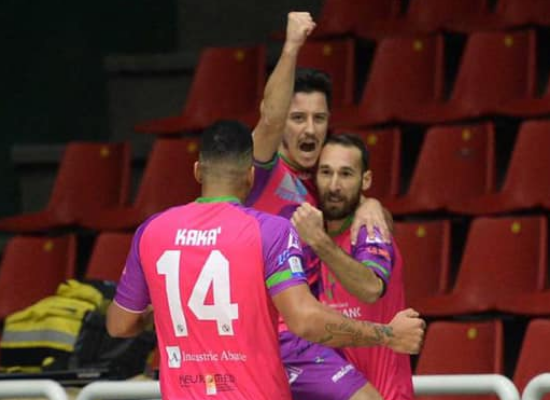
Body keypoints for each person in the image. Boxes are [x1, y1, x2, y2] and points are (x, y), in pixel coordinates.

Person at [106, 121, 425, 400]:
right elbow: (305, 320)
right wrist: (387, 334)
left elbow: (119, 324)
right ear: (250, 175)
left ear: (198, 171)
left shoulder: (152, 231)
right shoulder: (269, 231)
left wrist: (158, 314)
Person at [246, 12, 398, 400]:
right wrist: (291, 47)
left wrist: (371, 204)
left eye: (319, 118)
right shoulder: (263, 171)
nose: (310, 129)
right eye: (298, 118)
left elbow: (364, 216)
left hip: (304, 333)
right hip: (272, 335)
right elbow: (268, 118)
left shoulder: (320, 181)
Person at [292, 133, 414, 400]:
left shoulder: (371, 230)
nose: (334, 185)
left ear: (365, 180)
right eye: (326, 172)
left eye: (346, 174)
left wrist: (320, 242)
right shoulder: (307, 238)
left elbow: (371, 287)